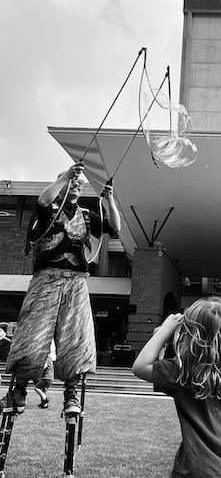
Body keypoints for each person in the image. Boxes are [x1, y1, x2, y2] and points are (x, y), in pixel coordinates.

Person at [1, 161, 121, 416]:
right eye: (71, 181)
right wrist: (65, 176)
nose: (76, 184)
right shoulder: (50, 209)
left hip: (76, 282)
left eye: (78, 183)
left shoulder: (87, 215)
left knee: (77, 336)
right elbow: (43, 200)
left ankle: (71, 395)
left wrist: (110, 200)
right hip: (46, 280)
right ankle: (19, 392)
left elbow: (116, 227)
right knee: (32, 334)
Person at [132, 297, 221, 478]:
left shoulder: (182, 373)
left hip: (193, 470)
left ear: (190, 336)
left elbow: (140, 367)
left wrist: (163, 332)